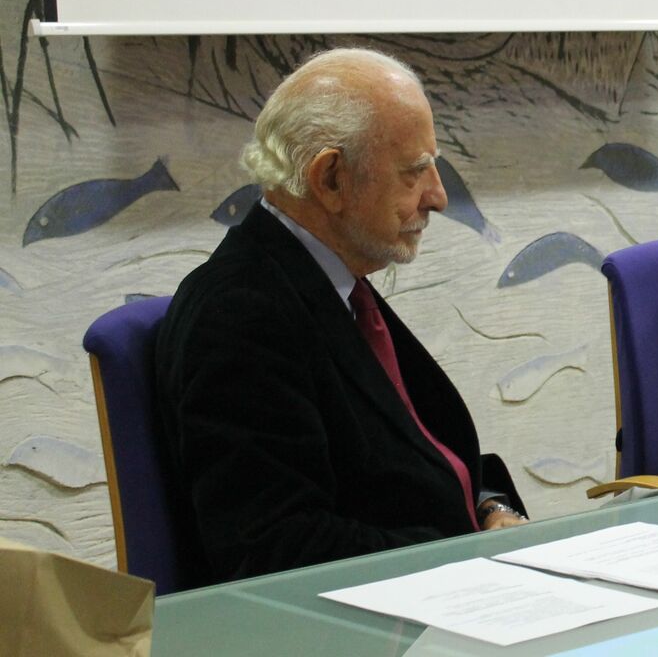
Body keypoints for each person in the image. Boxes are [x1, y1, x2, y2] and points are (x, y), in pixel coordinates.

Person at [155, 48, 526, 583]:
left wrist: (492, 508)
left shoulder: (334, 283)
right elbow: (277, 549)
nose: (439, 197)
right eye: (414, 173)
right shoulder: (240, 316)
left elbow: (428, 449)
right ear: (330, 178)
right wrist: (465, 552)